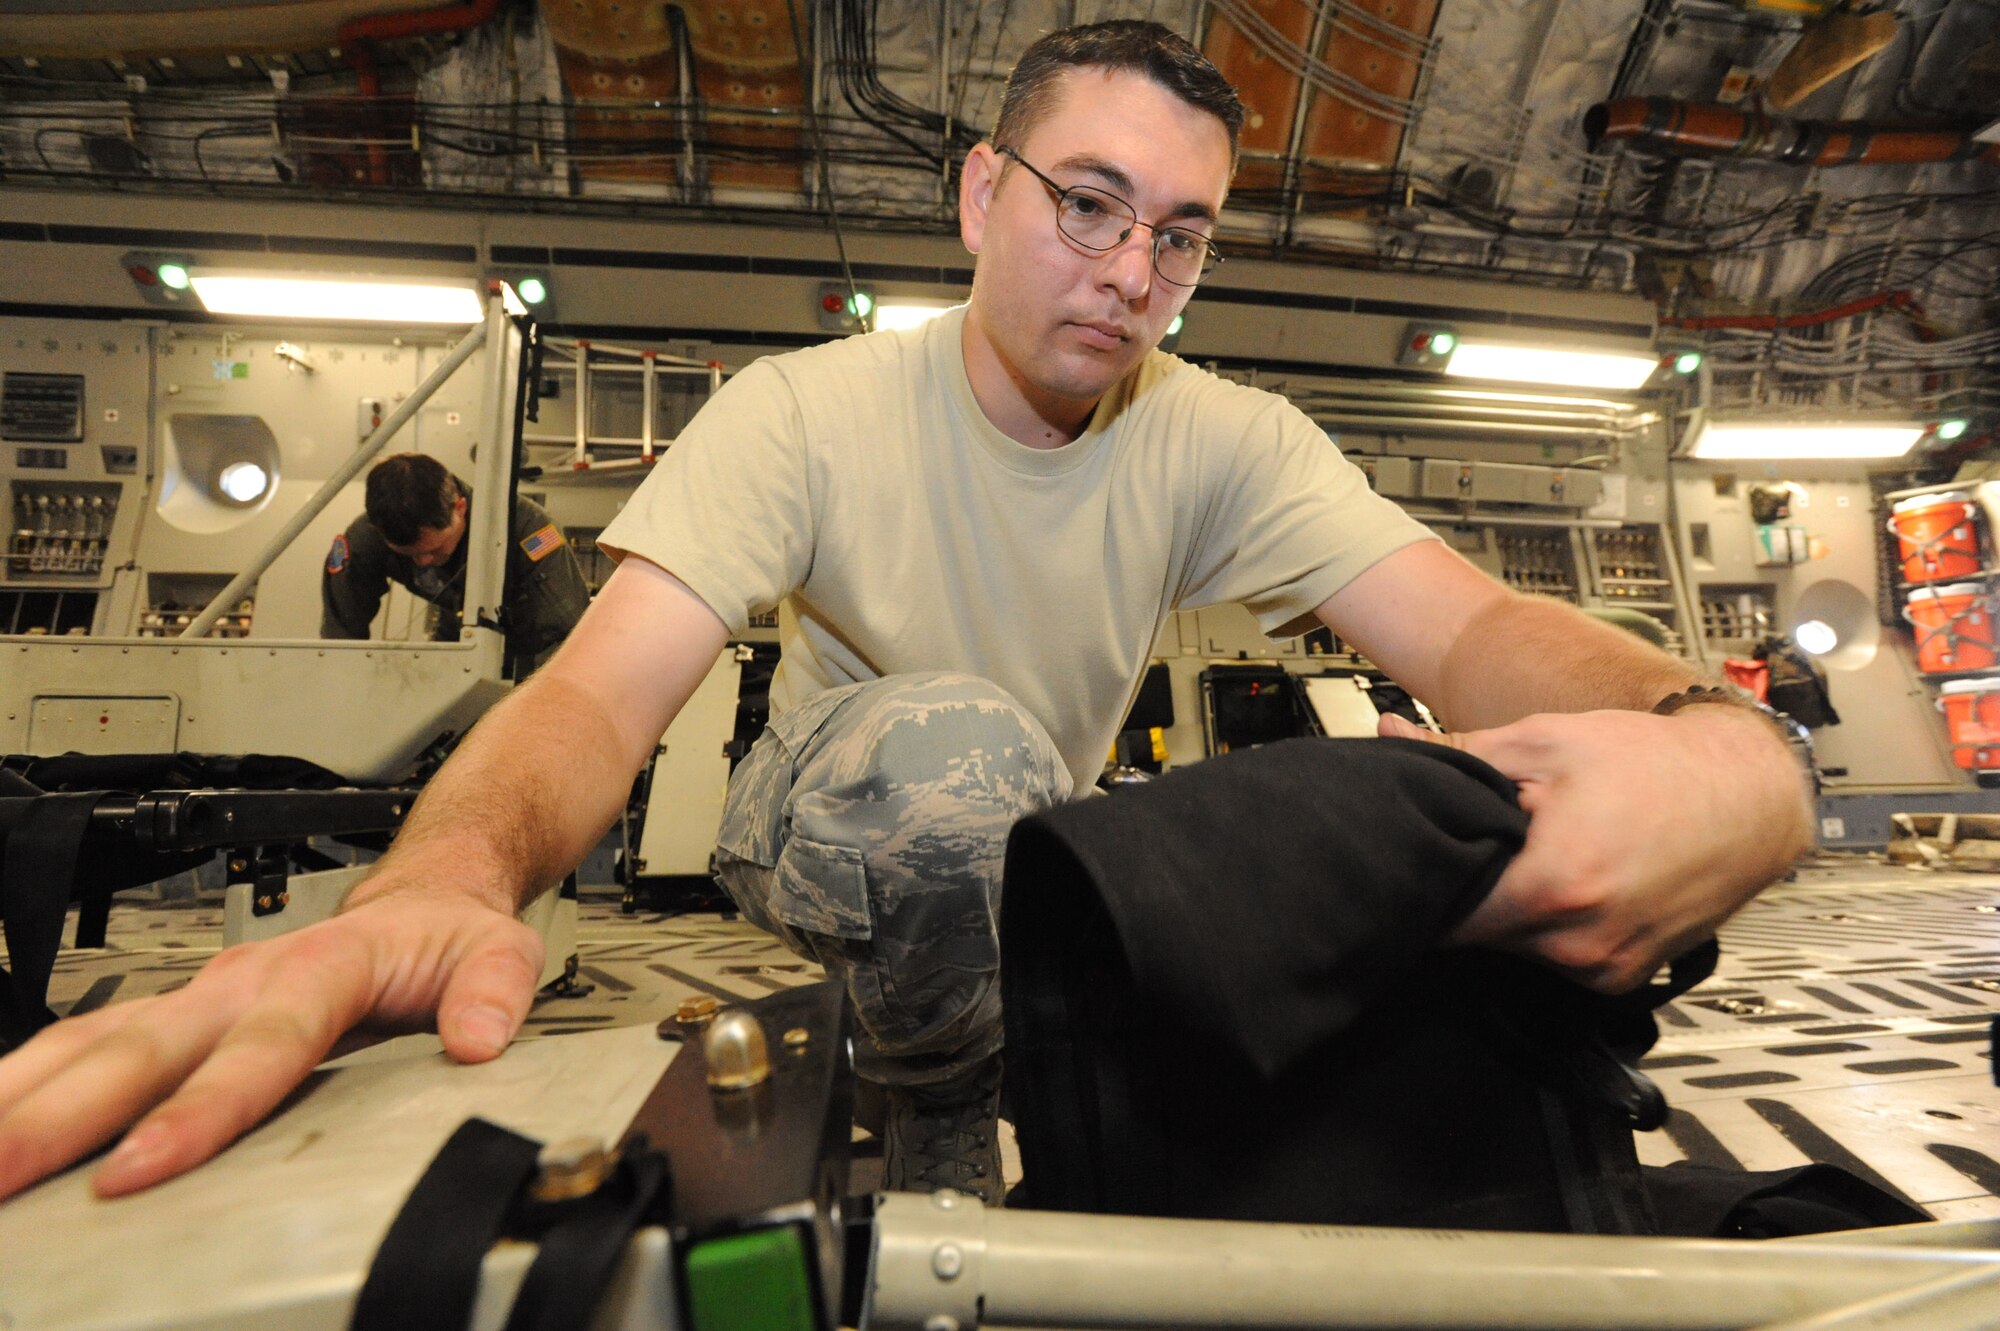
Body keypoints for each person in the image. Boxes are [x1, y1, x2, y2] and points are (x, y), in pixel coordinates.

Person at [0, 21, 1811, 1209]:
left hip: (1047, 828)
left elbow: (1473, 626)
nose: (1130, 270)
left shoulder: (1220, 435)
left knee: (1351, 809)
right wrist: (432, 889)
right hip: (853, 806)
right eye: (1089, 205)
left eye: (1180, 234)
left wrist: (1713, 736)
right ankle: (944, 1117)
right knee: (962, 766)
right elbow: (597, 695)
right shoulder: (805, 412)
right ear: (976, 195)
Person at [322, 452, 589, 676]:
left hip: (534, 655)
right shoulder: (364, 539)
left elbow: (571, 639)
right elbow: (340, 638)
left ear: (459, 507)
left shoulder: (529, 531)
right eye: (410, 555)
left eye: (434, 550)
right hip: (455, 647)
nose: (424, 562)